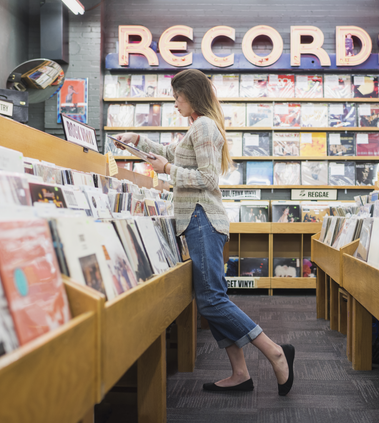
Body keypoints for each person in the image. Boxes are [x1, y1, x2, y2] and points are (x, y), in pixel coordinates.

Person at [114, 69, 295, 395]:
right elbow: (174, 155)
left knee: (211, 300)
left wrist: (167, 171)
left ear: (192, 95)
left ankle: (275, 352)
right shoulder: (196, 127)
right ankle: (240, 373)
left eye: (177, 96)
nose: (174, 103)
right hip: (196, 221)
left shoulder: (204, 127)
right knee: (211, 298)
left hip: (202, 220)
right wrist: (138, 141)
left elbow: (208, 178)